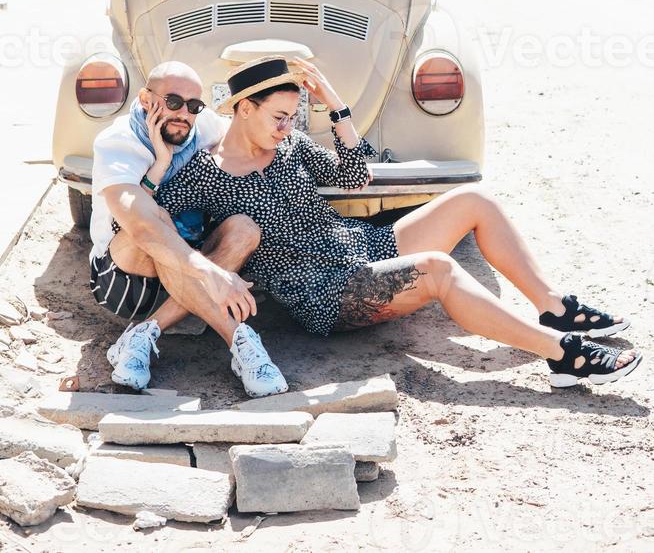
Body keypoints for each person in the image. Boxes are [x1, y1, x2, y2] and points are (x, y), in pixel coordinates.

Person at [154, 56, 642, 389]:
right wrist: (158, 160)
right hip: (324, 291)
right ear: (243, 109)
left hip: (362, 245)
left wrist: (334, 102)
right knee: (437, 269)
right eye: (279, 116)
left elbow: (355, 173)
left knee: (471, 200)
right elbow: (153, 221)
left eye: (292, 117)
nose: (287, 127)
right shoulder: (205, 174)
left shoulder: (292, 148)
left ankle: (552, 307)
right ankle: (562, 354)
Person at [90, 61, 287, 397]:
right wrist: (161, 165)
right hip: (128, 278)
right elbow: (141, 225)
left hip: (192, 264)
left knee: (245, 229)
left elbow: (246, 135)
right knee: (157, 218)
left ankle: (141, 335)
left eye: (193, 106)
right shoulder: (117, 143)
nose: (184, 113)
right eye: (173, 102)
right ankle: (238, 338)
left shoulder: (205, 126)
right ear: (144, 99)